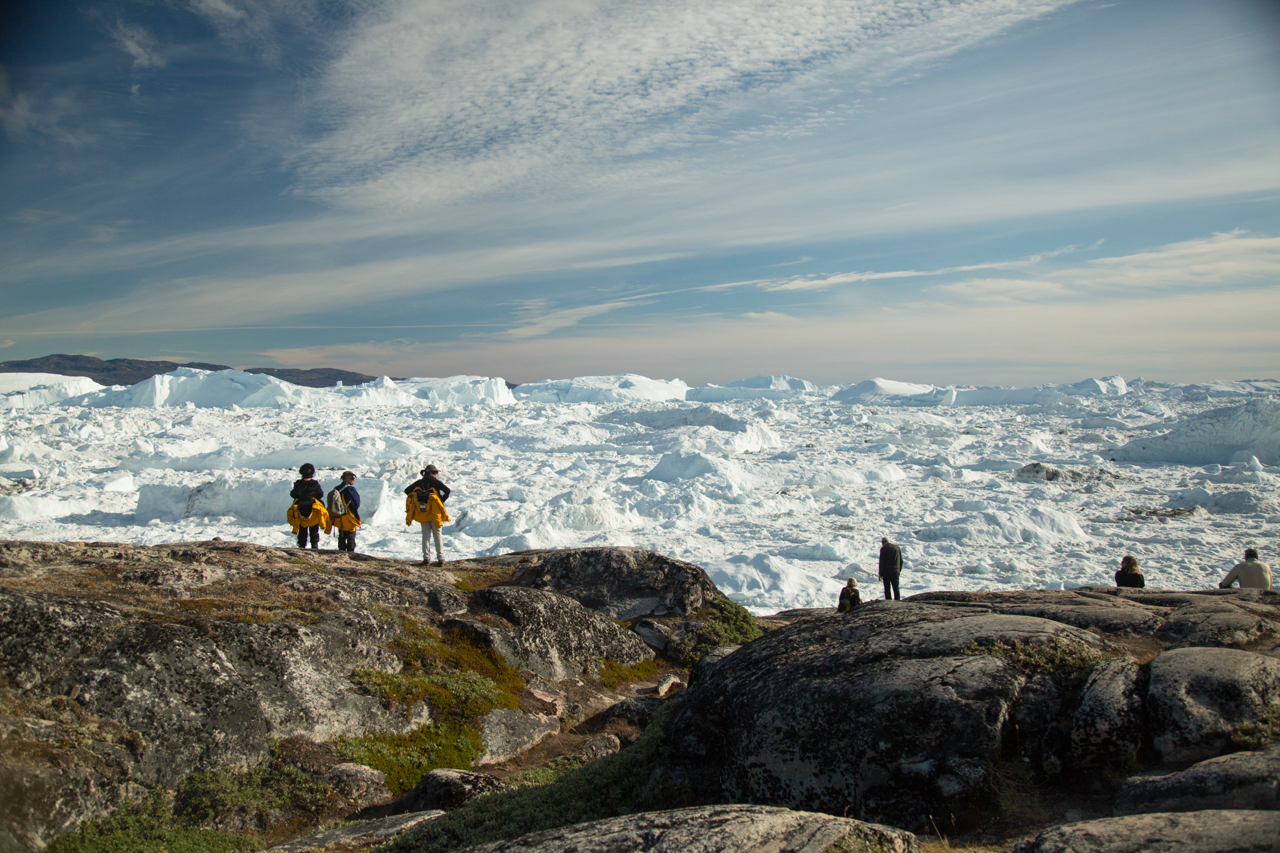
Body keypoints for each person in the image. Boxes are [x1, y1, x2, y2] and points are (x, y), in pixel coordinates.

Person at [405, 464, 451, 566]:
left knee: (425, 535)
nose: (436, 475)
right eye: (435, 473)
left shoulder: (419, 483)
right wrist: (440, 501)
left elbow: (407, 491)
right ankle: (441, 558)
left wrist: (416, 498)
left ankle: (426, 558)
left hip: (423, 513)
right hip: (435, 513)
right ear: (430, 473)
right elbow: (447, 491)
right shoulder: (436, 483)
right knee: (437, 535)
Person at [289, 463, 326, 550]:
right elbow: (320, 494)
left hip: (300, 509)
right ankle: (314, 545)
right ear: (312, 474)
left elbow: (293, 494)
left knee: (302, 529)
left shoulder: (298, 483)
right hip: (313, 509)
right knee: (314, 528)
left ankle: (302, 545)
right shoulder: (314, 483)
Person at [331, 471, 361, 553]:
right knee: (351, 536)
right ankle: (350, 553)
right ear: (346, 478)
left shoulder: (336, 489)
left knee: (341, 535)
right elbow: (357, 503)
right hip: (349, 517)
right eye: (352, 478)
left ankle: (341, 552)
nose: (353, 480)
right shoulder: (351, 489)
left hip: (339, 517)